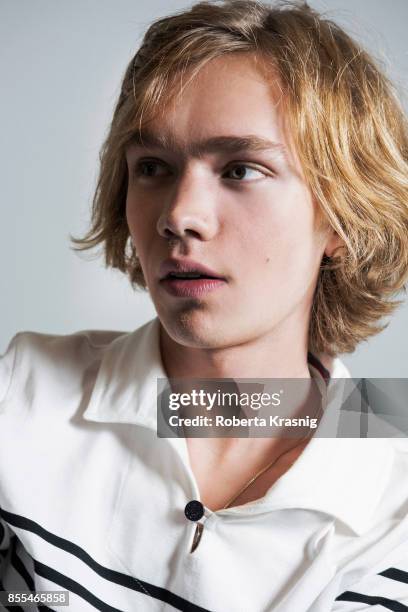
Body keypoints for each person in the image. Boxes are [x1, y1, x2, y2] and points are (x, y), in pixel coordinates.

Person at [1, 1, 408, 610]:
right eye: (153, 167)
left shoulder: (391, 491)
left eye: (241, 169)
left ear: (342, 221)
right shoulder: (23, 388)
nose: (178, 215)